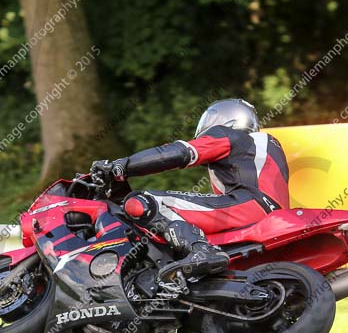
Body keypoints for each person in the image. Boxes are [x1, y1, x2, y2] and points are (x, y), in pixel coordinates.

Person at [91, 98, 290, 284]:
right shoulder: (266, 146)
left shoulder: (231, 136)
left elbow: (178, 153)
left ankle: (200, 250)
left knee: (142, 201)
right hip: (272, 214)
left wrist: (121, 166)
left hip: (245, 206)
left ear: (228, 118)